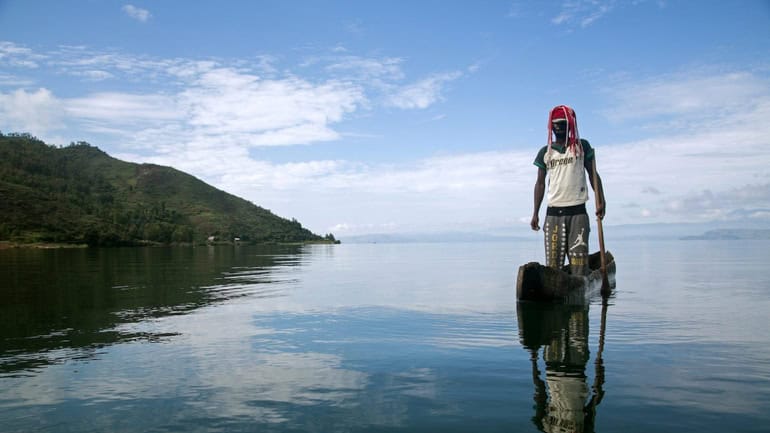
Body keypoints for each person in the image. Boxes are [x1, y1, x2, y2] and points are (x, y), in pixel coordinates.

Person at [530, 105, 605, 275]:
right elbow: (540, 184)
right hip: (553, 214)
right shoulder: (546, 152)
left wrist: (601, 199)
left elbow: (594, 175)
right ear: (551, 127)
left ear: (570, 125)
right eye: (556, 124)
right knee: (553, 268)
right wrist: (535, 213)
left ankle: (579, 287)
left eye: (563, 124)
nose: (559, 128)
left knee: (579, 267)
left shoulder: (582, 146)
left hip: (578, 213)